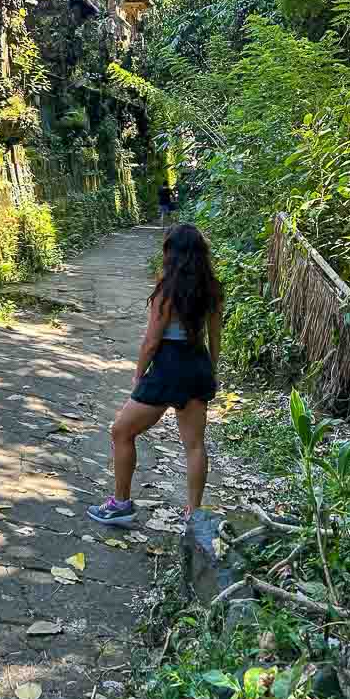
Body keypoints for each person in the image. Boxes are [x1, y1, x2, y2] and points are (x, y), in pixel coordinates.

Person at [88, 224, 224, 526]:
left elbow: (151, 341)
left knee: (121, 431)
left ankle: (121, 505)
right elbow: (215, 337)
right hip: (198, 365)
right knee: (195, 445)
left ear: (171, 253)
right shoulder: (213, 288)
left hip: (168, 367)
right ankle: (193, 514)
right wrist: (211, 371)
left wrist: (139, 375)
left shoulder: (167, 290)